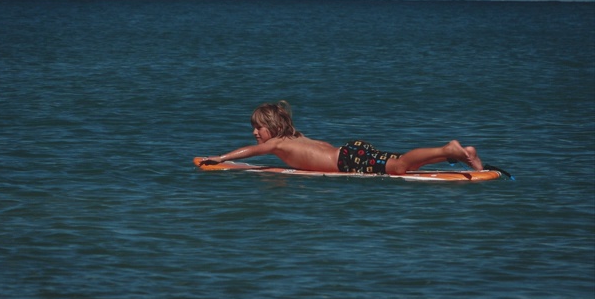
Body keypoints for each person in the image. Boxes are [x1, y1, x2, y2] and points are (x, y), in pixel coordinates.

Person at [199, 101, 483, 175]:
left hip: (347, 160)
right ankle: (455, 154)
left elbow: (250, 151)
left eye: (259, 127)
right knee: (401, 163)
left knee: (399, 167)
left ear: (273, 128)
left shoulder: (278, 144)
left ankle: (449, 150)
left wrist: (221, 158)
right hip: (352, 150)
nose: (254, 133)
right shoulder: (296, 136)